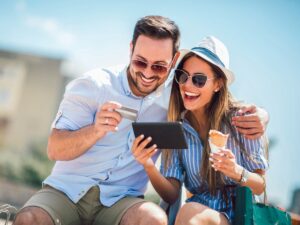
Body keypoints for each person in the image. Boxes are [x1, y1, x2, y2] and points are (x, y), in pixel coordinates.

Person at [14, 16, 267, 225]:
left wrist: (262, 117)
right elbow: (54, 149)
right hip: (67, 192)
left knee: (155, 219)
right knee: (29, 219)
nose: (147, 73)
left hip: (121, 202)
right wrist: (95, 130)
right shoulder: (93, 85)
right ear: (130, 49)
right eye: (140, 62)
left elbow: (220, 106)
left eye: (159, 67)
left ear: (173, 61)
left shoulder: (177, 97)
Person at [131, 36, 268, 225]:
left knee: (189, 213)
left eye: (199, 80)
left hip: (238, 217)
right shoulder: (176, 128)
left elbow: (260, 186)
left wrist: (236, 171)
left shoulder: (243, 120)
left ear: (218, 84)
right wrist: (148, 165)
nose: (187, 85)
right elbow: (171, 194)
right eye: (183, 76)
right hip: (194, 214)